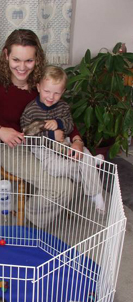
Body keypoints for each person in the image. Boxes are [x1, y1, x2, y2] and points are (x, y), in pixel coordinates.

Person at [0, 29, 84, 227]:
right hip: (13, 147)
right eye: (16, 60)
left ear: (37, 58)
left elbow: (62, 113)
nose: (22, 67)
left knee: (79, 172)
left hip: (44, 144)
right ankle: (30, 218)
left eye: (29, 61)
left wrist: (77, 140)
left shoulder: (41, 82)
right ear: (6, 55)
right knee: (63, 188)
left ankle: (37, 207)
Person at [20, 65, 105, 213]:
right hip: (44, 150)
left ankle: (96, 195)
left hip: (64, 144)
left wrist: (59, 123)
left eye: (56, 93)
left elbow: (70, 125)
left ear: (63, 92)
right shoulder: (30, 110)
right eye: (47, 91)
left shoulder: (63, 107)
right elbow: (27, 136)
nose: (51, 97)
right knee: (56, 168)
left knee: (80, 151)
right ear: (39, 87)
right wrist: (51, 134)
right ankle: (89, 163)